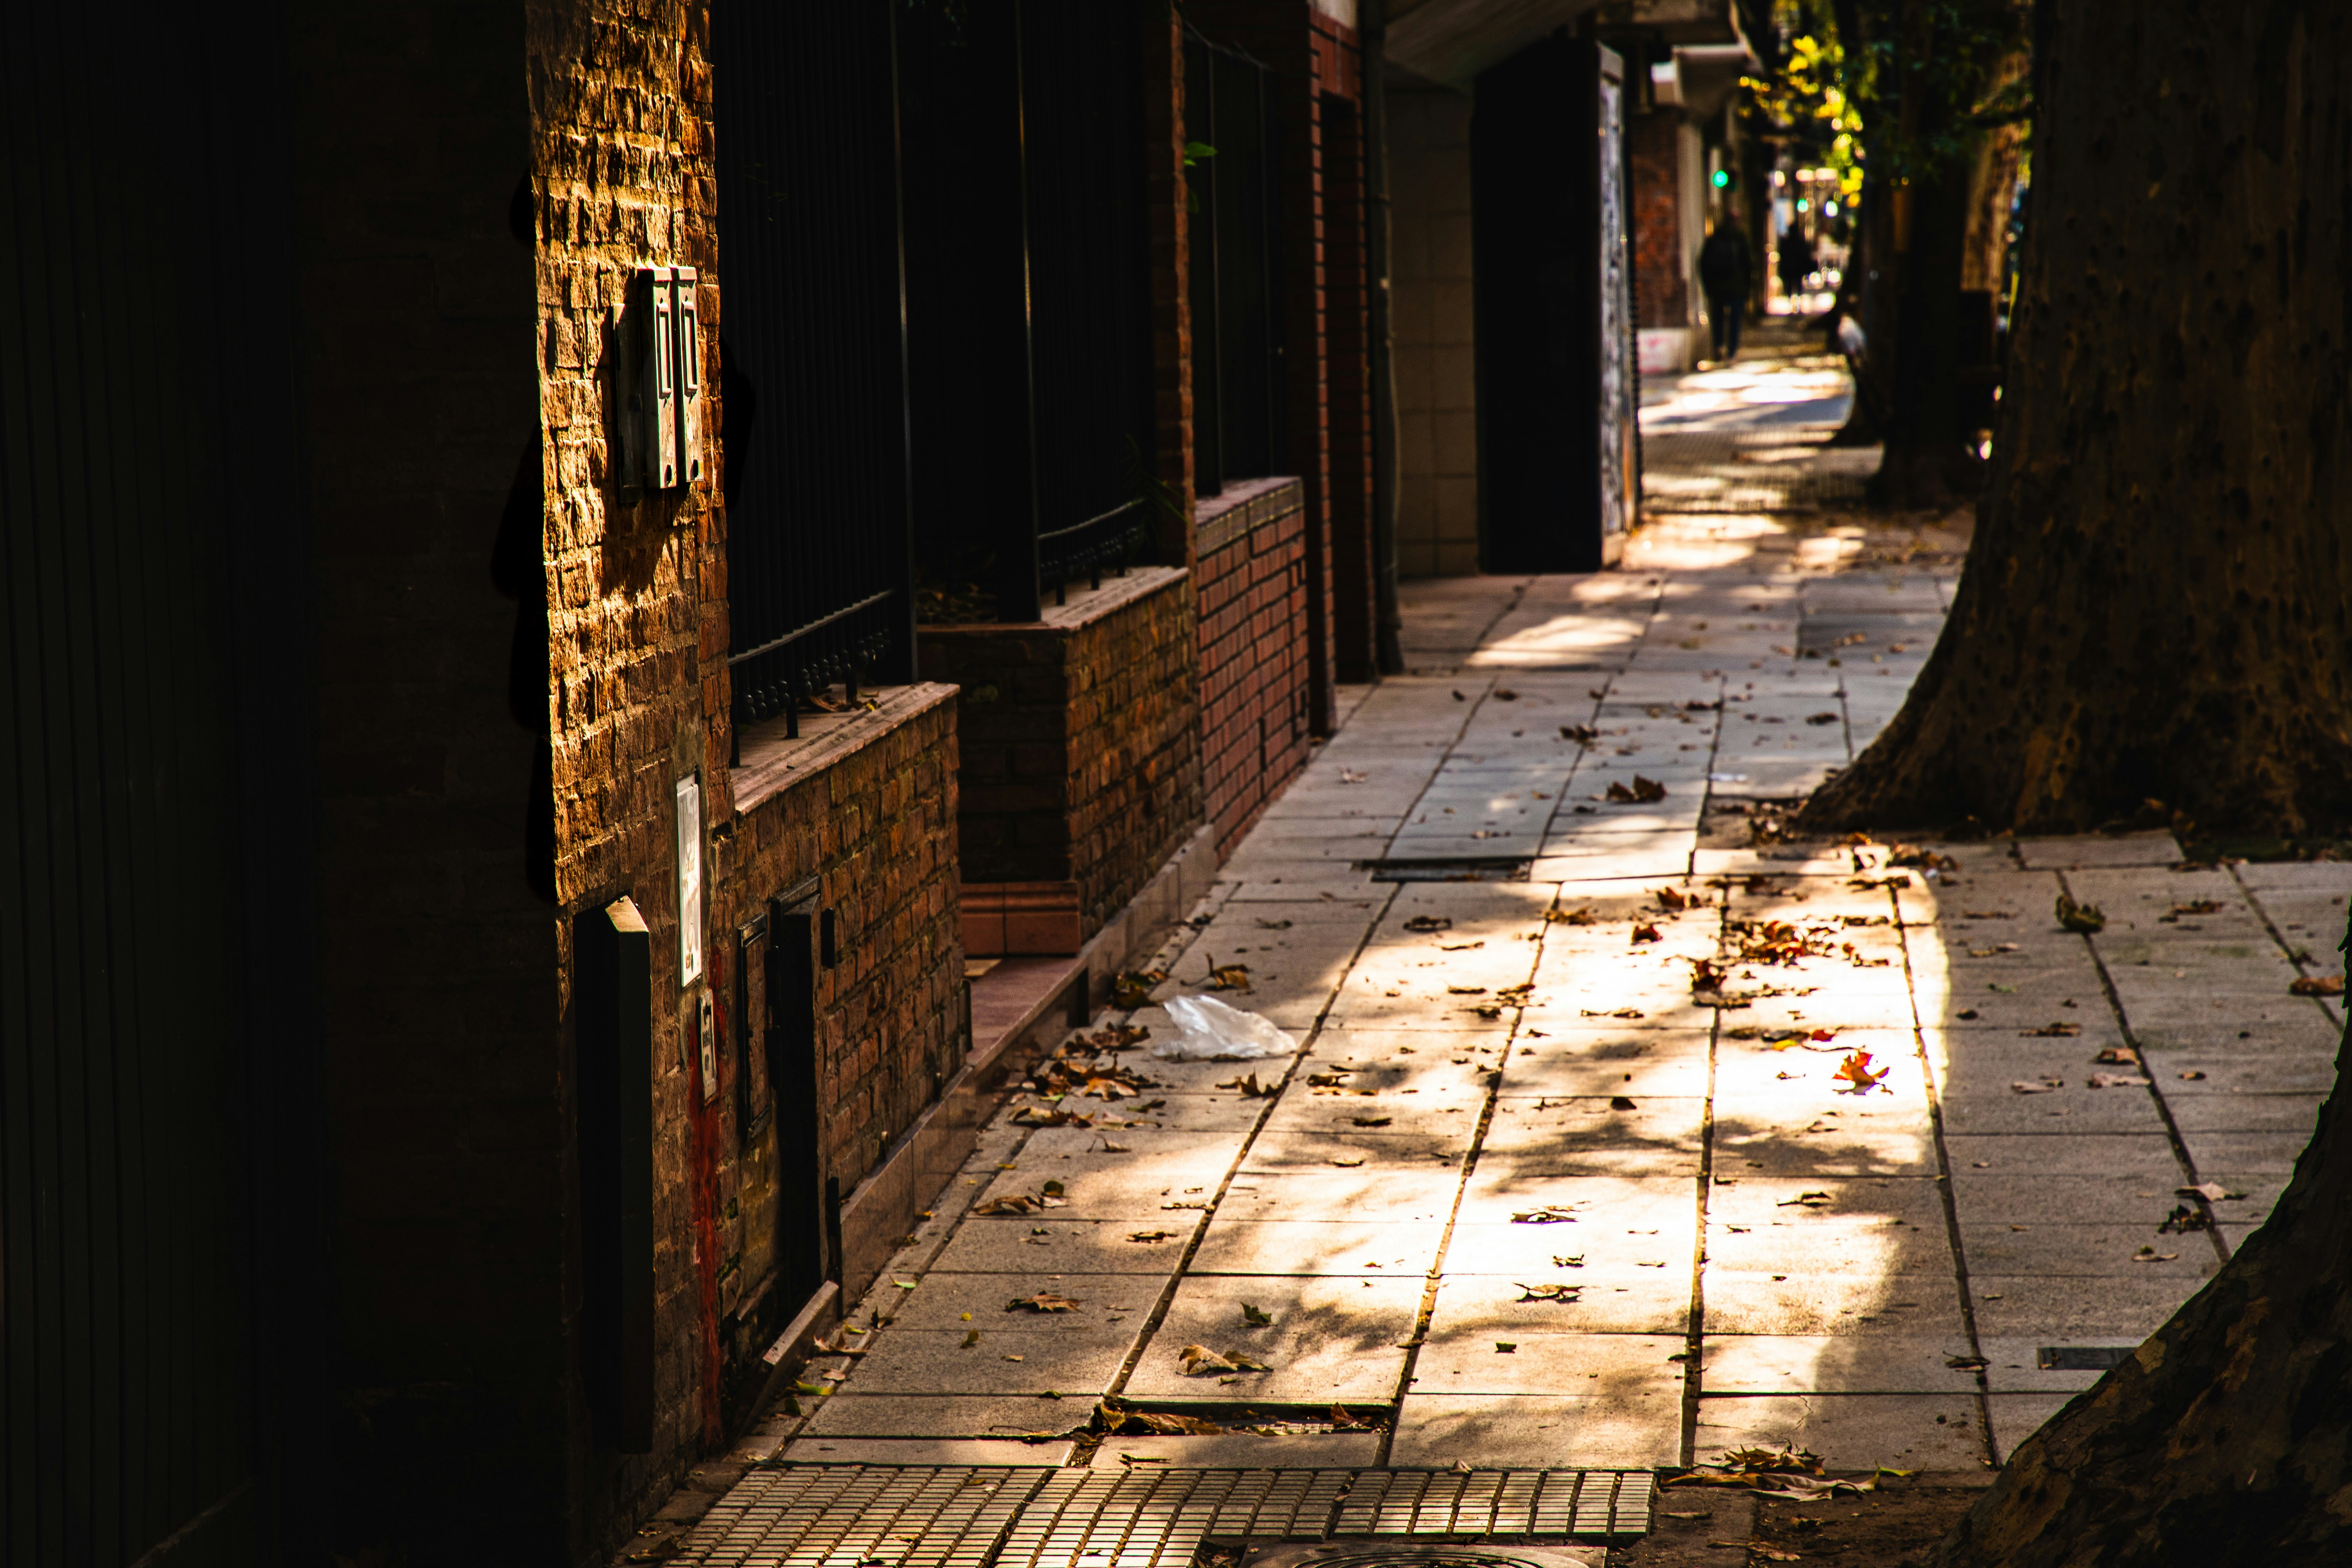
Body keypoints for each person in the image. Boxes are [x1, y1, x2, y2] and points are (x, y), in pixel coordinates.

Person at [1697, 221, 1753, 361]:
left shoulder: (1714, 240)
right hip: (1737, 288)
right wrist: (1747, 288)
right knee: (1735, 320)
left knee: (1718, 319)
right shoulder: (1740, 239)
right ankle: (1732, 351)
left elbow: (1703, 264)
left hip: (1718, 288)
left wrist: (1708, 287)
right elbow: (1749, 265)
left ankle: (1719, 346)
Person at [1777, 227, 1817, 309]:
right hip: (1798, 268)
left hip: (1790, 268)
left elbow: (1783, 255)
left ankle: (1792, 302)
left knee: (1790, 284)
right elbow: (1805, 254)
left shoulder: (1787, 243)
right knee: (1797, 284)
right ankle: (1796, 302)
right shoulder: (1800, 242)